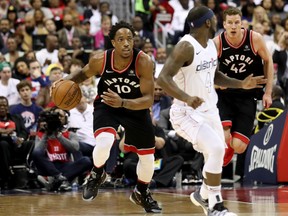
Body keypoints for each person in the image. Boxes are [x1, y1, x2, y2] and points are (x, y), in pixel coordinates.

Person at [157, 5, 267, 216]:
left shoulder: (208, 45)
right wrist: (187, 98)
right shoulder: (185, 47)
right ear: (208, 22)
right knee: (216, 148)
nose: (217, 21)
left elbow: (215, 76)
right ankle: (215, 206)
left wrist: (240, 84)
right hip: (186, 113)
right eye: (214, 19)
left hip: (209, 110)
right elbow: (162, 78)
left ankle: (202, 194)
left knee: (216, 152)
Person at [52, 21, 161, 213]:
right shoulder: (100, 60)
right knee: (104, 141)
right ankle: (97, 173)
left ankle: (141, 192)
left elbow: (148, 99)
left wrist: (124, 103)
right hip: (107, 105)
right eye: (121, 39)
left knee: (147, 157)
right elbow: (81, 75)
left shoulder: (143, 61)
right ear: (113, 42)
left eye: (130, 39)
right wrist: (63, 82)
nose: (126, 43)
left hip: (135, 107)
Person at [213, 7, 274, 167]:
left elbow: (268, 61)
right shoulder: (217, 42)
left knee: (239, 147)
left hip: (248, 94)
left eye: (237, 22)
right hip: (226, 95)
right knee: (225, 136)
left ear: (242, 23)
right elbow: (207, 71)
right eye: (230, 23)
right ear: (224, 24)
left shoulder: (254, 38)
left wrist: (268, 93)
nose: (233, 26)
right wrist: (216, 85)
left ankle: (230, 147)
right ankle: (225, 145)